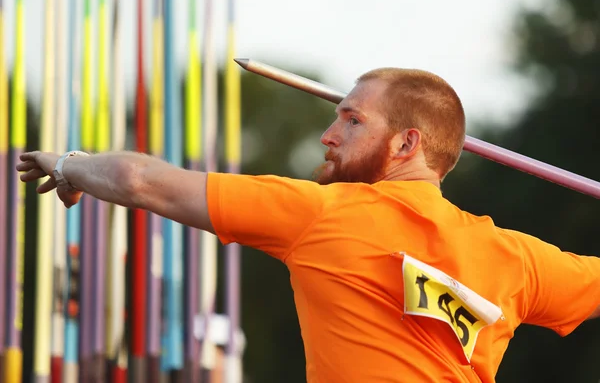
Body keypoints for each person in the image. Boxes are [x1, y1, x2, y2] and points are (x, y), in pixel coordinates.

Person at [17, 67, 600, 382]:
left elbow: (145, 182)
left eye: (350, 119)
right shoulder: (516, 260)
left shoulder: (324, 214)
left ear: (405, 143)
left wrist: (70, 163)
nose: (329, 136)